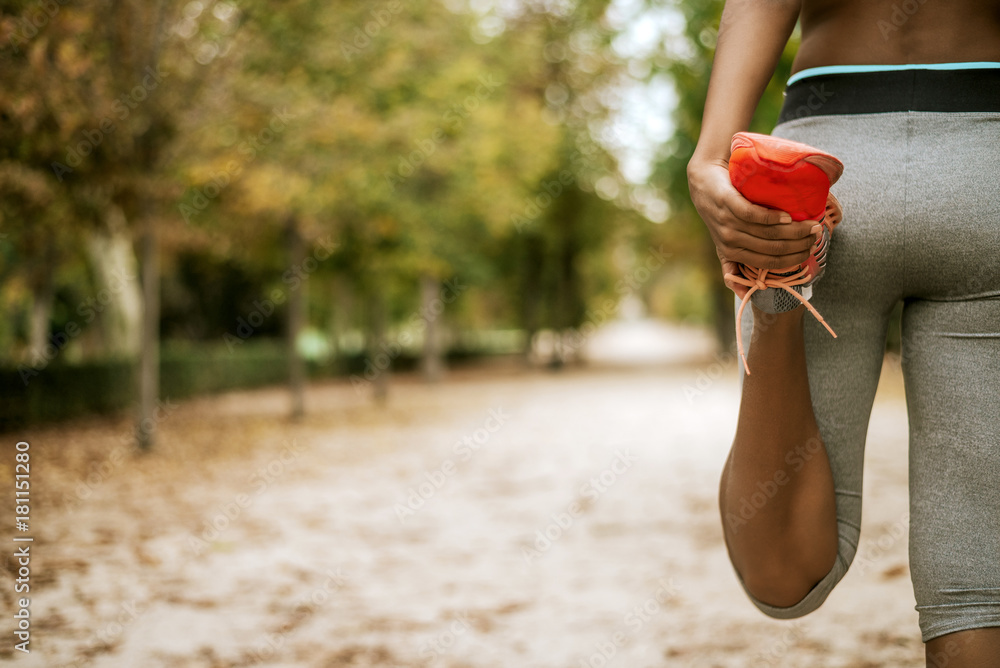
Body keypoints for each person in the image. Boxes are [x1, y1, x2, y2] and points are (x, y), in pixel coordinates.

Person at [686, 1, 1000, 666]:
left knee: (784, 580)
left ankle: (778, 282)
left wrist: (712, 154)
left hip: (825, 170)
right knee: (979, 588)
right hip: (988, 167)